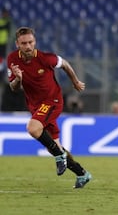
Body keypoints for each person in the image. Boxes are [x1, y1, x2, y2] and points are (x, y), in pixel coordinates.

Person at [6, 27, 92, 188]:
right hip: (35, 105)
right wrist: (18, 79)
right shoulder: (12, 59)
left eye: (31, 42)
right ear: (17, 44)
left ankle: (60, 156)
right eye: (24, 43)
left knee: (32, 128)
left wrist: (75, 82)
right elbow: (14, 88)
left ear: (35, 42)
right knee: (53, 145)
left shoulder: (46, 58)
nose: (28, 46)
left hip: (52, 101)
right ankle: (82, 173)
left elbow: (65, 64)